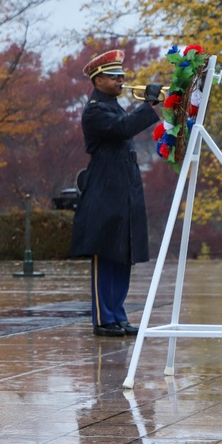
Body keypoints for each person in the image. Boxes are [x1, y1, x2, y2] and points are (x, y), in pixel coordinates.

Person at [70, 49, 161, 337]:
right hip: (104, 190)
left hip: (123, 189)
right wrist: (149, 105)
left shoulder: (113, 106)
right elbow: (124, 129)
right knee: (105, 255)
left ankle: (118, 315)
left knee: (122, 255)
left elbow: (125, 125)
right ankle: (104, 318)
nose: (121, 79)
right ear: (98, 80)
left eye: (121, 74)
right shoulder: (96, 110)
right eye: (114, 76)